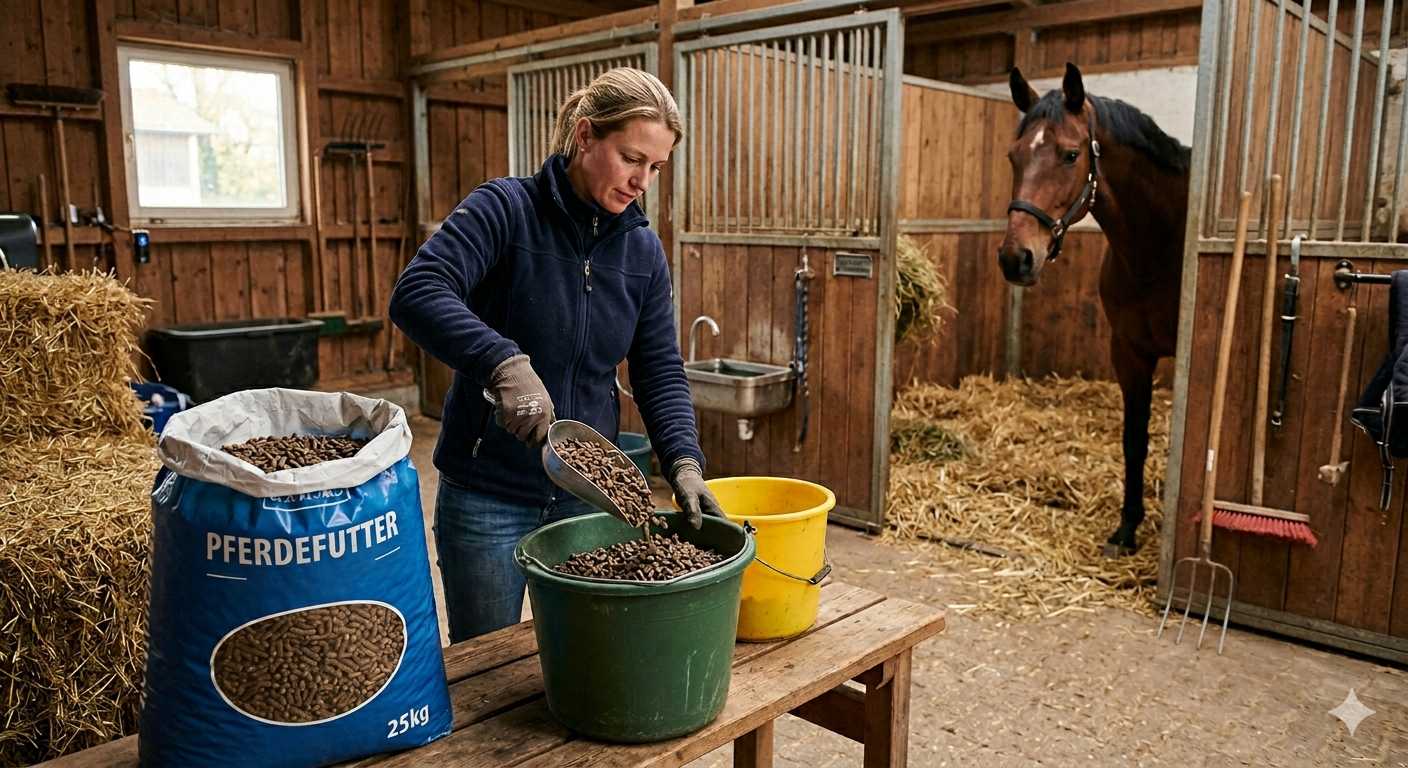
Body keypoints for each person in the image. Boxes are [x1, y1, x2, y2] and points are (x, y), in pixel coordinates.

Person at [388, 68, 724, 643]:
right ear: (586, 135)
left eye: (656, 168)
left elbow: (660, 370)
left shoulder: (642, 251)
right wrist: (503, 363)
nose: (642, 181)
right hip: (488, 494)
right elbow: (418, 292)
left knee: (587, 654)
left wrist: (683, 463)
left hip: (589, 497)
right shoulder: (505, 209)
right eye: (631, 158)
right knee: (487, 666)